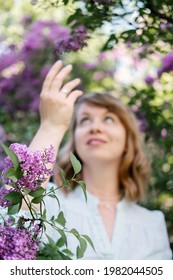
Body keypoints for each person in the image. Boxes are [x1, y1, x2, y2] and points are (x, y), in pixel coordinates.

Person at [29, 60, 172, 259]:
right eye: (85, 120)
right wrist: (51, 126)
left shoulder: (153, 224)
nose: (95, 127)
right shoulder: (47, 203)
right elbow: (11, 223)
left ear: (126, 141)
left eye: (108, 119)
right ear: (75, 142)